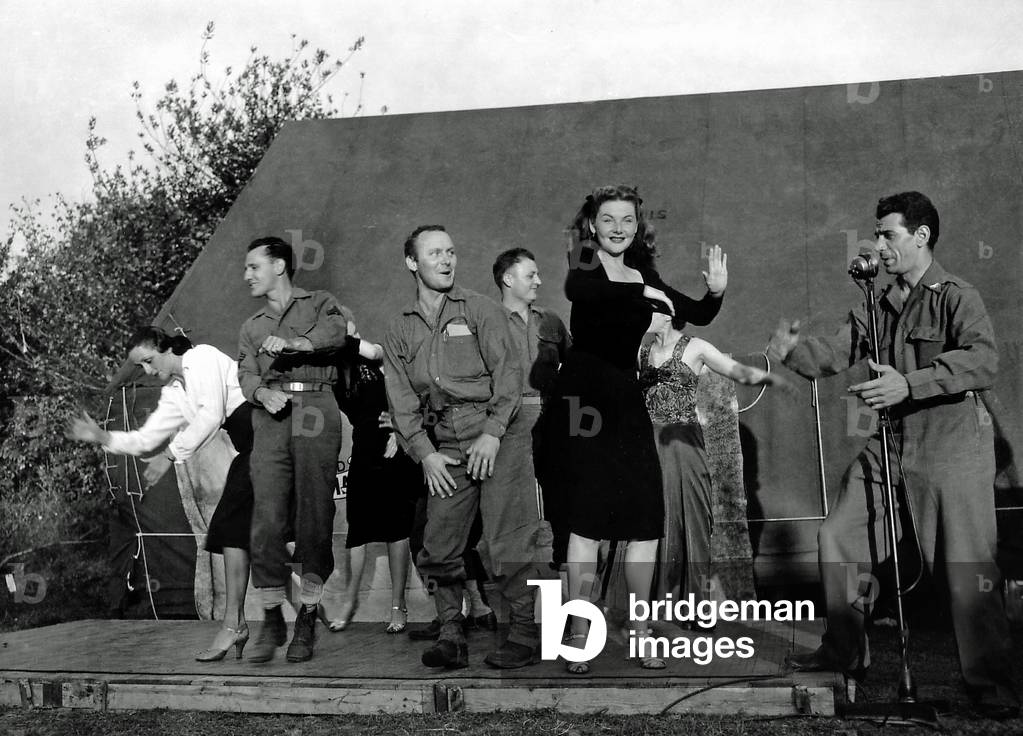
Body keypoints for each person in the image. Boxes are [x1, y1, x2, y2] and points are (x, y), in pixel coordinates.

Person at [768, 191, 1018, 719]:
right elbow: (836, 353)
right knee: (837, 535)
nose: (878, 244)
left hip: (949, 446)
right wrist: (792, 350)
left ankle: (990, 684)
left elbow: (982, 360)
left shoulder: (956, 295)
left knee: (965, 566)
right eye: (877, 234)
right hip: (888, 448)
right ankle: (843, 655)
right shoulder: (876, 304)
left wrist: (912, 384)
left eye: (888, 234)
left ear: (920, 236)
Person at [542, 184, 727, 673]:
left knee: (644, 520)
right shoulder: (585, 261)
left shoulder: (642, 269)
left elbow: (694, 312)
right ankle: (579, 632)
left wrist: (716, 291)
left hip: (626, 396)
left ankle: (641, 633)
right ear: (593, 226)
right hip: (584, 397)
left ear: (636, 225)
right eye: (609, 220)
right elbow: (579, 292)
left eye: (627, 220)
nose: (619, 228)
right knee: (587, 521)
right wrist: (642, 292)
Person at [382, 225, 550, 670]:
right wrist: (425, 453)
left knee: (506, 540)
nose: (445, 260)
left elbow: (510, 376)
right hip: (445, 446)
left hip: (500, 435)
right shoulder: (399, 328)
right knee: (438, 545)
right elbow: (401, 399)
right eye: (434, 253)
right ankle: (452, 636)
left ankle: (524, 634)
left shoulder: (480, 310)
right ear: (411, 263)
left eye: (451, 252)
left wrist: (493, 433)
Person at [68, 327, 255, 661]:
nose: (148, 371)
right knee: (234, 532)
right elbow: (144, 438)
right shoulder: (175, 393)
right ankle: (240, 623)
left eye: (149, 361)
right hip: (251, 452)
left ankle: (256, 621)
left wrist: (170, 455)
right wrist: (102, 436)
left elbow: (212, 415)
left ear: (166, 347)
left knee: (247, 531)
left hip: (268, 441)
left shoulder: (202, 357)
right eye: (142, 366)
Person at [238, 235, 347, 664]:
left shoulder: (320, 302)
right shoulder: (251, 325)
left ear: (279, 266)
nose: (247, 275)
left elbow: (337, 333)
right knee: (265, 518)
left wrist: (295, 344)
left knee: (315, 511)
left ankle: (307, 613)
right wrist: (261, 395)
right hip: (271, 415)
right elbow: (245, 373)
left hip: (316, 406)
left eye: (253, 267)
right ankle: (270, 614)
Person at [640, 304, 784, 610]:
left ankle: (691, 603)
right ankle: (655, 603)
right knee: (653, 520)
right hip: (649, 445)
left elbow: (737, 372)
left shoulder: (696, 347)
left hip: (684, 444)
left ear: (666, 314)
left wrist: (776, 377)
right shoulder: (641, 351)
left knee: (690, 518)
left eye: (647, 310)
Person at [325, 307, 418, 635]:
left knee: (397, 528)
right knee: (358, 530)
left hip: (394, 445)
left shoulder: (373, 353)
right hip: (364, 447)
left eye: (341, 324)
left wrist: (398, 429)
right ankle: (349, 602)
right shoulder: (334, 368)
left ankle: (398, 604)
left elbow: (403, 390)